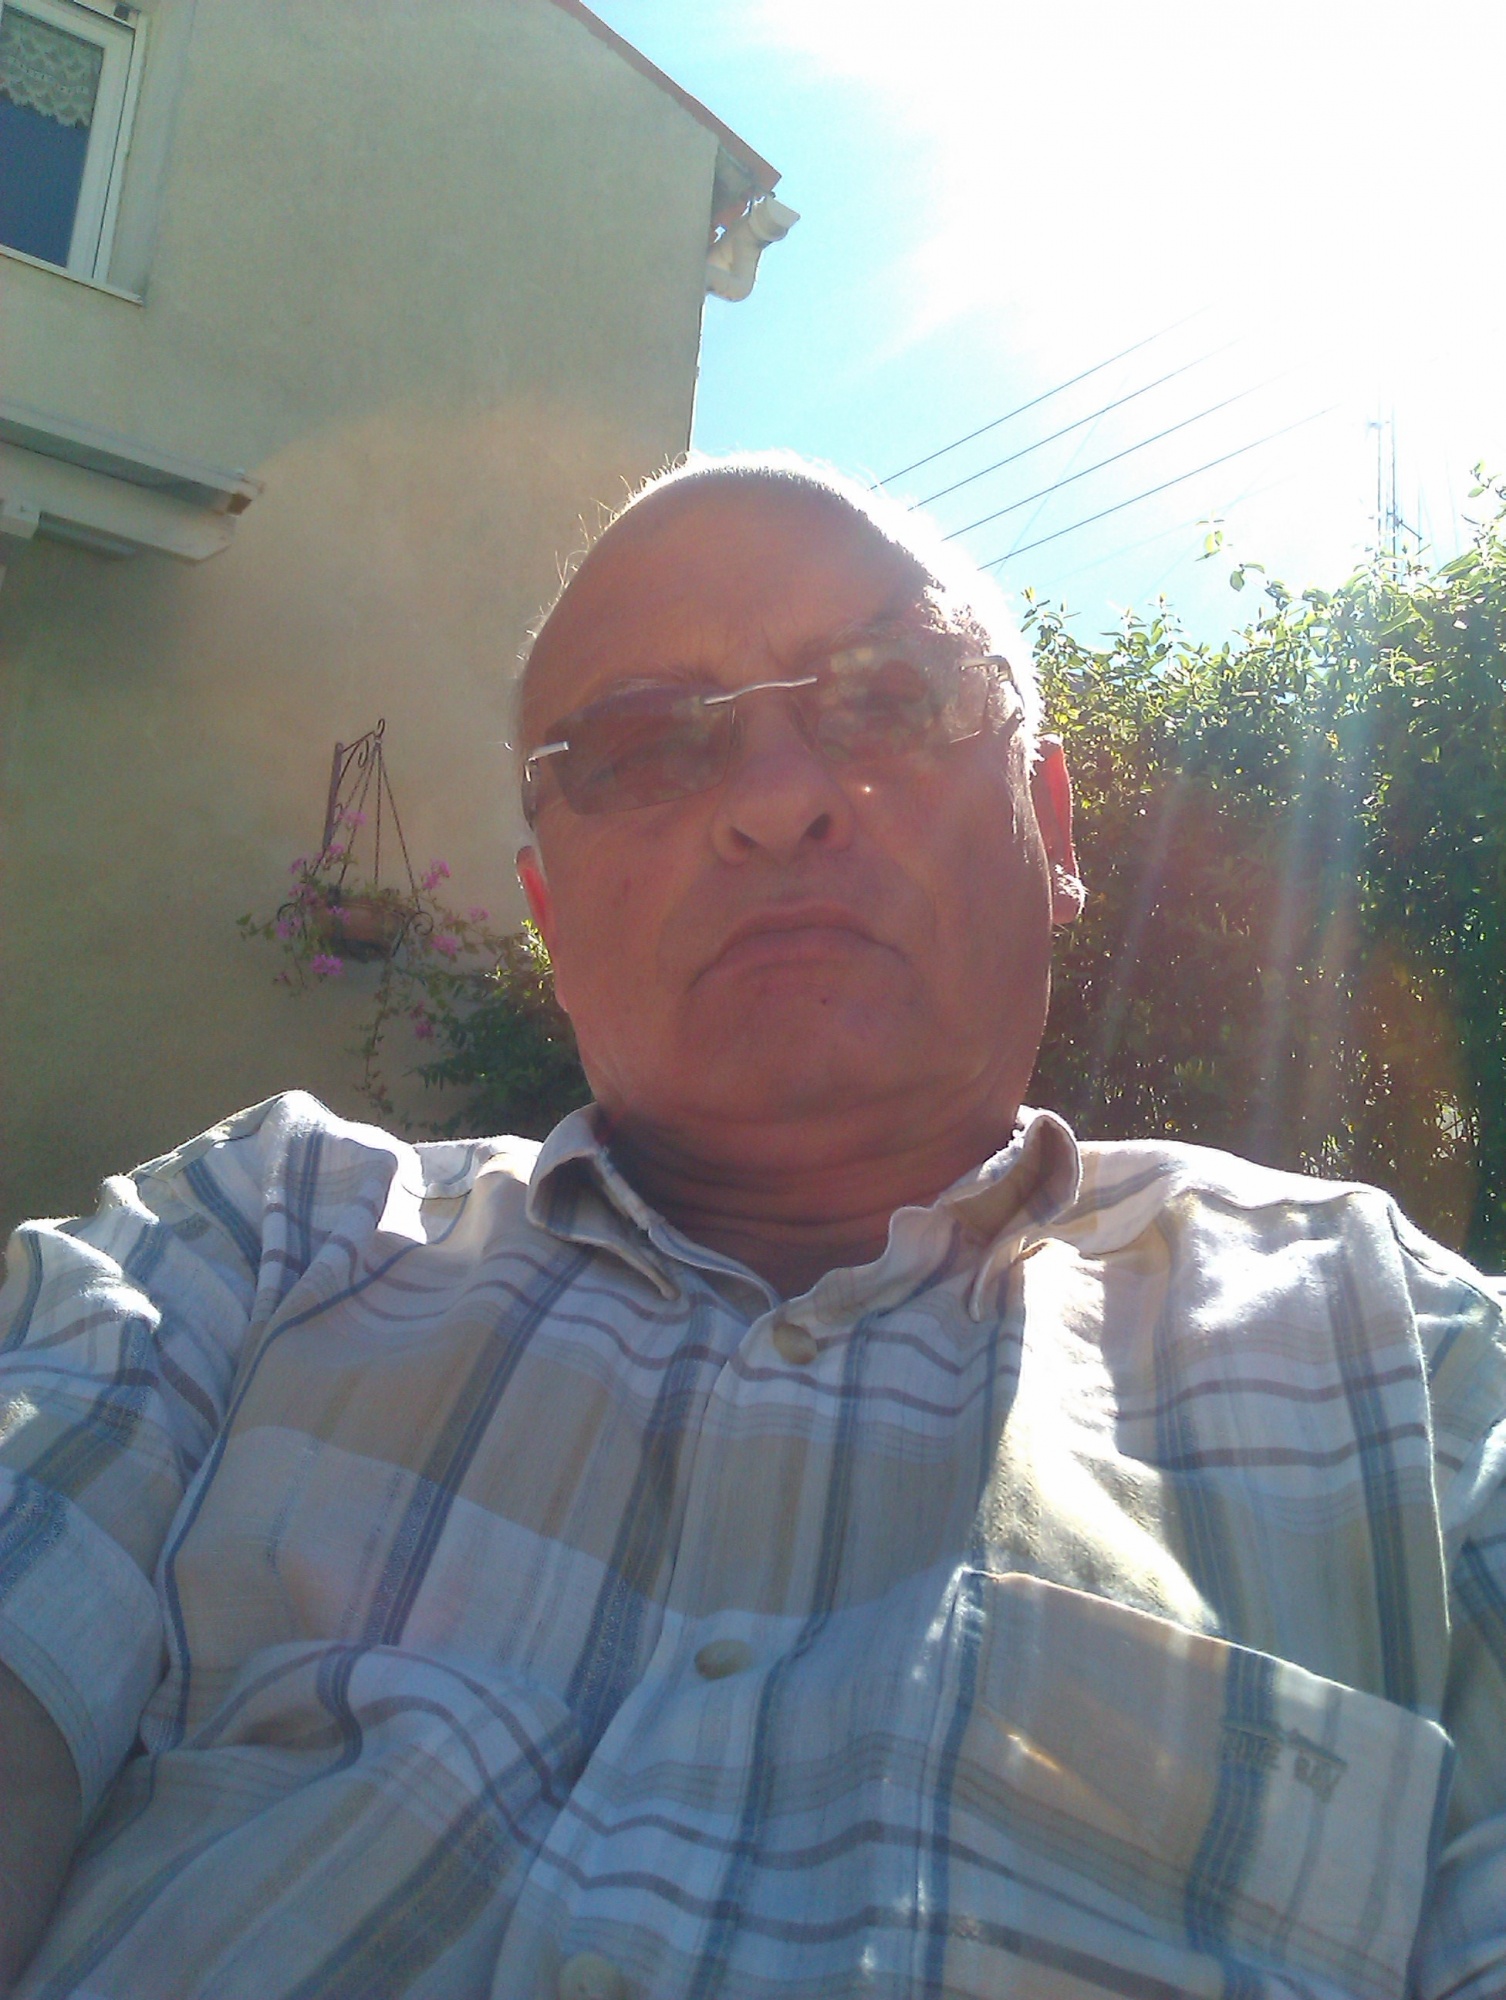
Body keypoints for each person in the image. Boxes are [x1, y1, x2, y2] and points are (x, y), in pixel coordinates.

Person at [1, 453, 1504, 2000]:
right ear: (548, 917)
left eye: (889, 697)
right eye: (641, 747)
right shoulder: (251, 1244)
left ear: (1049, 824)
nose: (779, 803)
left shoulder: (1419, 1372)